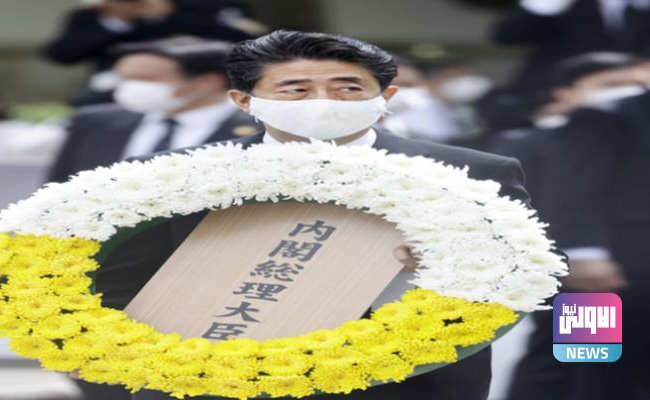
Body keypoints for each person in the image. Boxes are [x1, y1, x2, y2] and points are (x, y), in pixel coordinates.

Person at [85, 30, 531, 400]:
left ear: (386, 96)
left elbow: (530, 270)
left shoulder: (472, 171)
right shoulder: (171, 176)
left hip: (408, 380)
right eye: (295, 89)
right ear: (244, 100)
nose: (323, 101)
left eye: (348, 88)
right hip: (217, 380)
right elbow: (117, 285)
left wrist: (453, 263)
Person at [499, 52, 650, 400]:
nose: (625, 90)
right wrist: (580, 253)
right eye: (611, 84)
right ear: (564, 92)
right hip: (585, 270)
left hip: (615, 267)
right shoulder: (529, 142)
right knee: (578, 360)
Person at [47, 37, 261, 183]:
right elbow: (58, 190)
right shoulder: (94, 122)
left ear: (207, 82)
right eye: (125, 78)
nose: (130, 87)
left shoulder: (263, 128)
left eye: (146, 79)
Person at [43, 0, 256, 70]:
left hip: (198, 82)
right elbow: (62, 54)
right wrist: (116, 22)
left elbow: (244, 40)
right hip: (118, 88)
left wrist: (169, 15)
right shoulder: (96, 14)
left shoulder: (204, 6)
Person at [492, 0, 650, 92]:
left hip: (612, 111)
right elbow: (506, 36)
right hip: (542, 97)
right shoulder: (562, 4)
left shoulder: (642, 9)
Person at [379, 56, 464, 143]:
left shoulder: (443, 115)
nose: (397, 90)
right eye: (390, 84)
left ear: (427, 85)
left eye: (407, 85)